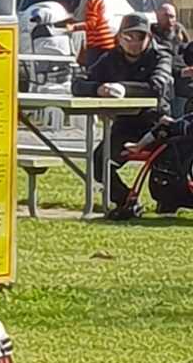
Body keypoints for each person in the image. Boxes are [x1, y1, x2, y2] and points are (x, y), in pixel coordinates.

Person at [72, 13, 173, 218]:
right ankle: (127, 200)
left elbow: (157, 86)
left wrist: (122, 88)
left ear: (150, 39)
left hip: (155, 126)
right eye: (129, 36)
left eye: (140, 37)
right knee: (100, 161)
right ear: (119, 37)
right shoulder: (110, 58)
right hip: (124, 126)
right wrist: (98, 89)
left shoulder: (161, 56)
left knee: (168, 175)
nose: (134, 42)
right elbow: (78, 83)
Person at [67, 0, 115, 67]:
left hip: (100, 42)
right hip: (97, 42)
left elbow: (92, 23)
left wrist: (74, 27)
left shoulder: (92, 0)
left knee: (94, 72)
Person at [151, 3, 192, 116]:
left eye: (172, 16)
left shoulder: (178, 31)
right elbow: (157, 60)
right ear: (157, 15)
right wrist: (180, 72)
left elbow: (187, 51)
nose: (169, 20)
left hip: (185, 73)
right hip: (167, 76)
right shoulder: (151, 36)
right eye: (166, 16)